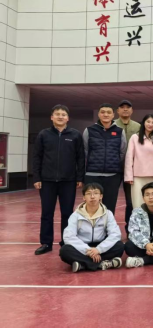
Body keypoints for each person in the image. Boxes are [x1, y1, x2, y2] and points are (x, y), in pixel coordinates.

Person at [33, 105, 85, 256]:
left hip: (68, 181)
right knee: (46, 213)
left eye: (63, 114)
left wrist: (79, 177)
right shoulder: (44, 134)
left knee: (67, 213)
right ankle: (46, 243)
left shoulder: (75, 135)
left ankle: (66, 242)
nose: (60, 116)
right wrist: (37, 177)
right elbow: (37, 157)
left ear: (68, 118)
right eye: (57, 114)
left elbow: (80, 158)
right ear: (52, 117)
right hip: (47, 181)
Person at [60, 183, 124, 272]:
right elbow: (69, 236)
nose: (92, 196)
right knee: (64, 250)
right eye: (89, 193)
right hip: (82, 246)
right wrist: (88, 251)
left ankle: (83, 264)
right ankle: (101, 264)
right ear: (84, 197)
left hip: (100, 245)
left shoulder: (108, 214)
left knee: (119, 246)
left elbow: (115, 234)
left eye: (96, 193)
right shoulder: (76, 215)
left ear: (101, 196)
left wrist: (99, 249)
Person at [83, 103, 127, 215]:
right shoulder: (89, 130)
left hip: (112, 176)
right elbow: (85, 151)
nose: (105, 114)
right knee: (92, 206)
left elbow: (122, 152)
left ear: (113, 115)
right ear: (98, 114)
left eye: (108, 112)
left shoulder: (120, 131)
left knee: (109, 208)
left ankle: (107, 227)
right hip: (92, 175)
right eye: (103, 112)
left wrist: (115, 165)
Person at [124, 114, 153, 209]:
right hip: (138, 177)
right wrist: (129, 176)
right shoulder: (135, 137)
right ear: (143, 123)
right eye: (148, 122)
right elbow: (129, 157)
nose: (150, 124)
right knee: (138, 203)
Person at [114, 100, 141, 236]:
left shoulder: (138, 126)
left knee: (131, 201)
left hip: (132, 169)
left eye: (128, 107)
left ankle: (130, 229)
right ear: (117, 111)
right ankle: (109, 230)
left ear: (132, 111)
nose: (125, 109)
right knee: (110, 201)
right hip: (114, 167)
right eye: (122, 107)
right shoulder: (112, 125)